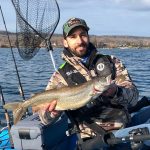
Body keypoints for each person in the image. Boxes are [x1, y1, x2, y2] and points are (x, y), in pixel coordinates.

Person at [33, 17, 139, 149]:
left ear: (88, 37)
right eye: (73, 36)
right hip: (90, 140)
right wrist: (52, 113)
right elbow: (45, 119)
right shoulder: (59, 76)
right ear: (65, 42)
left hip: (123, 133)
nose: (79, 40)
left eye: (83, 35)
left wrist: (116, 91)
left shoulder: (111, 62)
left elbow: (134, 98)